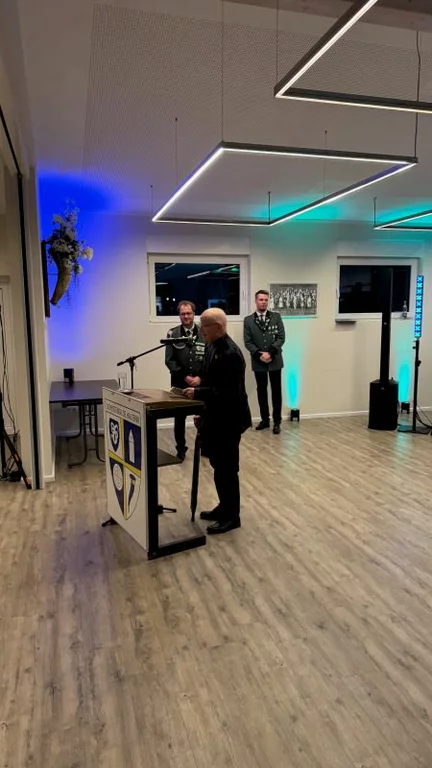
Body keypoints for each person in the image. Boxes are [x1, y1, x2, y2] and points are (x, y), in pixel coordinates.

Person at [183, 308, 251, 535]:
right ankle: (224, 506)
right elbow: (209, 379)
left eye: (205, 326)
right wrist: (202, 410)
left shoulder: (230, 353)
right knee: (218, 466)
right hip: (215, 417)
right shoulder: (212, 346)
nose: (201, 330)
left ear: (219, 327)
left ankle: (232, 516)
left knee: (227, 469)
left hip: (229, 420)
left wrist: (198, 393)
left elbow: (227, 393)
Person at [165, 300, 205, 460]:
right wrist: (185, 377)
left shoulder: (204, 331)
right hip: (180, 383)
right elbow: (169, 360)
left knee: (204, 415)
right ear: (179, 315)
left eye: (189, 313)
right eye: (183, 314)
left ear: (194, 314)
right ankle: (180, 448)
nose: (186, 316)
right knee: (179, 418)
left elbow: (209, 357)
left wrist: (200, 378)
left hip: (201, 383)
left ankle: (204, 446)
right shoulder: (172, 334)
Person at [243, 289, 285, 434]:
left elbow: (281, 337)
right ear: (256, 301)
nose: (263, 302)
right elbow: (248, 341)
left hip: (274, 359)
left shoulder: (276, 317)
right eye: (261, 300)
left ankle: (277, 421)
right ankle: (265, 420)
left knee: (276, 391)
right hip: (258, 360)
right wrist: (259, 354)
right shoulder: (248, 320)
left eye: (266, 300)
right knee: (261, 391)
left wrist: (270, 352)